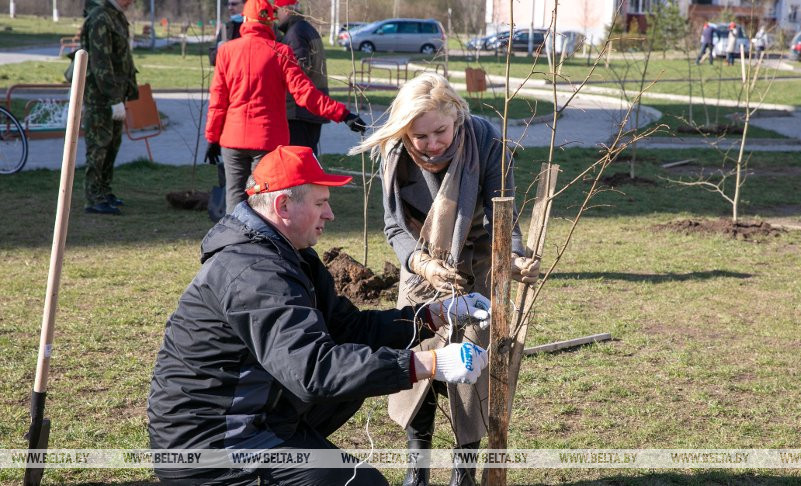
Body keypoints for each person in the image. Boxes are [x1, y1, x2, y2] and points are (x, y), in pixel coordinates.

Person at [147, 145, 492, 485]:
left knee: (351, 384)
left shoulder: (291, 256)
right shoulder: (253, 272)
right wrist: (430, 364)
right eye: (320, 203)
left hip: (248, 415)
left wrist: (434, 314)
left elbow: (350, 328)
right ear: (283, 205)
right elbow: (314, 370)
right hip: (209, 444)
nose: (330, 215)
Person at [349, 73, 540, 486]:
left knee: (468, 371)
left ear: (456, 115)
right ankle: (416, 473)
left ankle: (463, 475)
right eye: (421, 136)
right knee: (416, 370)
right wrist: (421, 264)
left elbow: (500, 217)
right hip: (421, 269)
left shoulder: (485, 142)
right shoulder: (395, 152)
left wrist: (513, 257)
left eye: (440, 131)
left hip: (475, 264)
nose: (432, 144)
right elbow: (394, 228)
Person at [204, 0, 367, 217]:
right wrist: (343, 114)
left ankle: (233, 246)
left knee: (234, 197)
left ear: (245, 20)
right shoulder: (280, 53)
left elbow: (218, 101)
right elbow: (305, 94)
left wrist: (212, 138)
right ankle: (262, 246)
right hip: (267, 140)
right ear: (270, 22)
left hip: (232, 140)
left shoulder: (227, 52)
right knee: (262, 200)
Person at [80, 0, 138, 215]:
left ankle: (104, 191)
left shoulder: (116, 15)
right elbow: (100, 63)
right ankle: (93, 197)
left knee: (112, 146)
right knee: (98, 148)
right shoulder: (100, 18)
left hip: (115, 96)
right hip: (101, 99)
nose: (132, 2)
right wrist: (114, 99)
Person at [275, 0, 329, 155]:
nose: (276, 16)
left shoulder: (295, 34)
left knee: (298, 162)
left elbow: (298, 72)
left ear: (285, 10)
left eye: (277, 11)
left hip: (299, 112)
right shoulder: (304, 28)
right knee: (308, 160)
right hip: (308, 110)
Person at [208, 0, 246, 66]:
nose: (230, 7)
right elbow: (213, 61)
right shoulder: (225, 28)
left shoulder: (251, 27)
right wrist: (219, 50)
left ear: (245, 5)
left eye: (234, 4)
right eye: (228, 4)